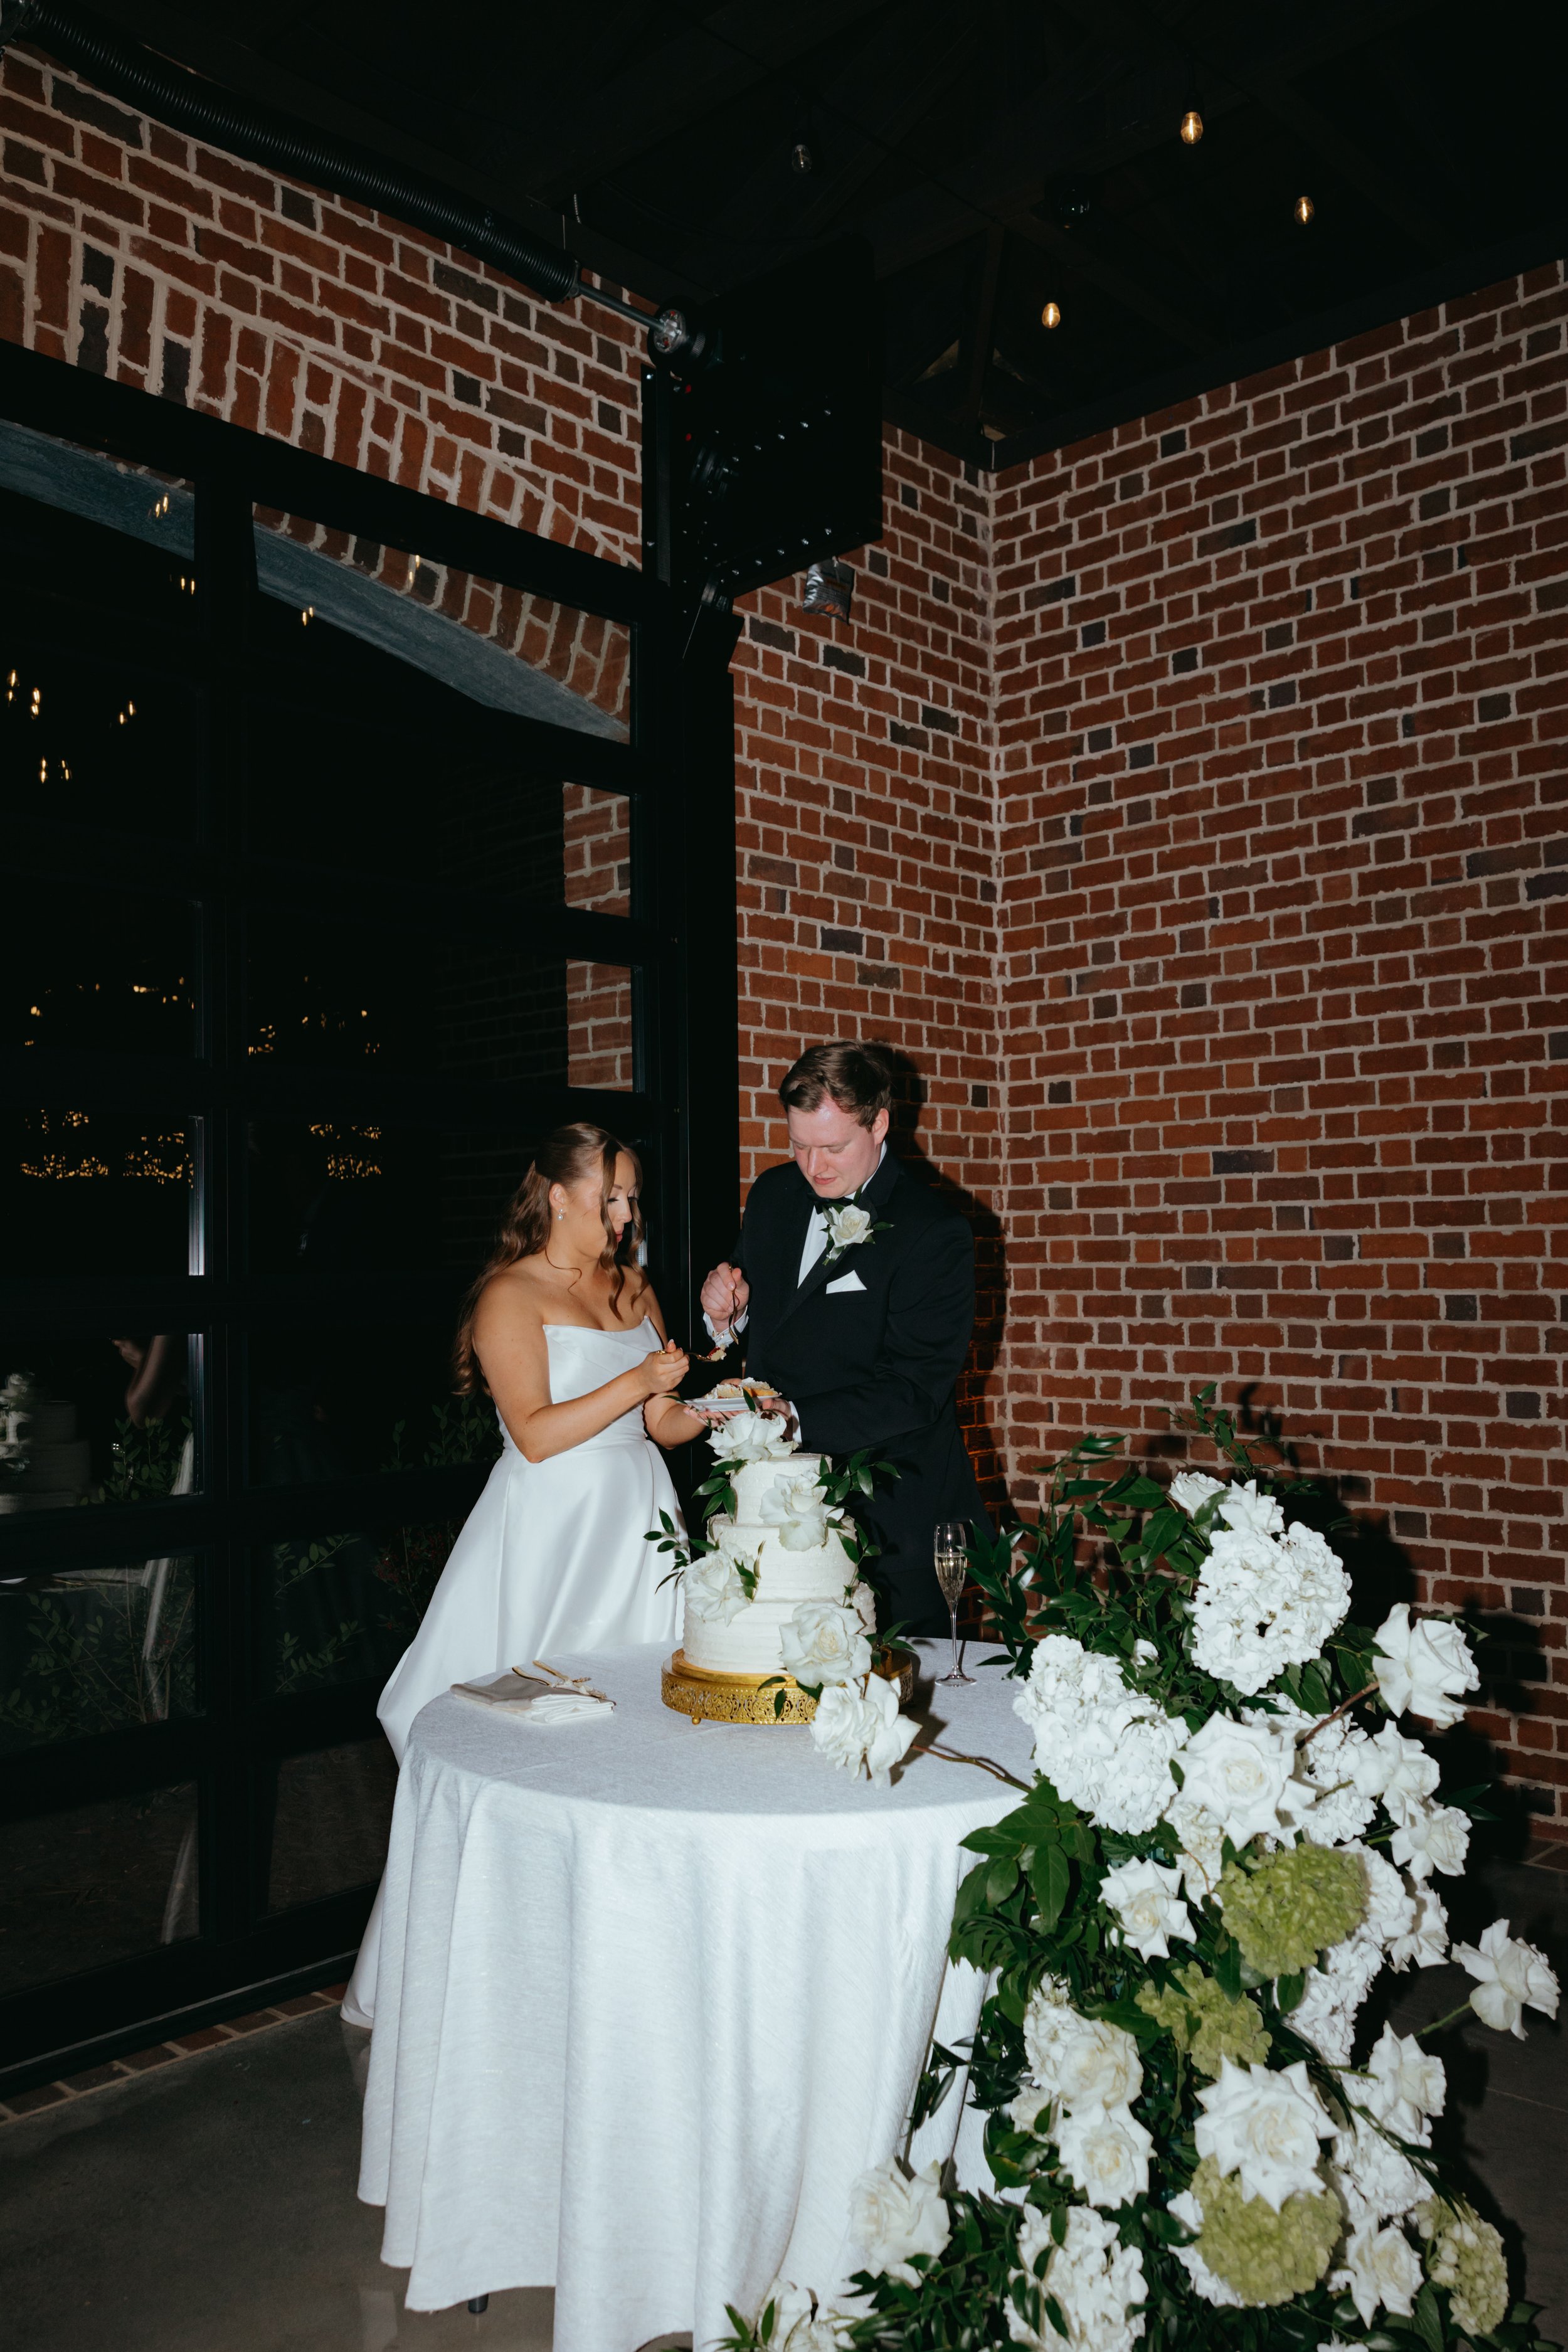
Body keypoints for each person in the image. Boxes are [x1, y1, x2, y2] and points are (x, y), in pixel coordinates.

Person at [341, 1122, 706, 2028]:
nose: (625, 1217)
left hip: (641, 1524)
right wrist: (638, 1385)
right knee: (537, 1735)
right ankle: (515, 1969)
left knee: (650, 1729)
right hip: (551, 1533)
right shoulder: (508, 1294)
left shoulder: (636, 1287)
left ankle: (632, 1958)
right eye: (609, 1198)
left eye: (631, 1199)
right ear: (558, 1195)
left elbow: (662, 1423)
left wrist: (727, 1406)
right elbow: (537, 1433)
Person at [701, 1041, 986, 1638]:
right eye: (799, 1145)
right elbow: (762, 1311)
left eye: (833, 1147)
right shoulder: (774, 1195)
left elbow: (914, 1389)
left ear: (879, 1123)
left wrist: (792, 1418)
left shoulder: (934, 1231)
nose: (815, 1167)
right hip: (771, 1502)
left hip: (890, 1516)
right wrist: (725, 1312)